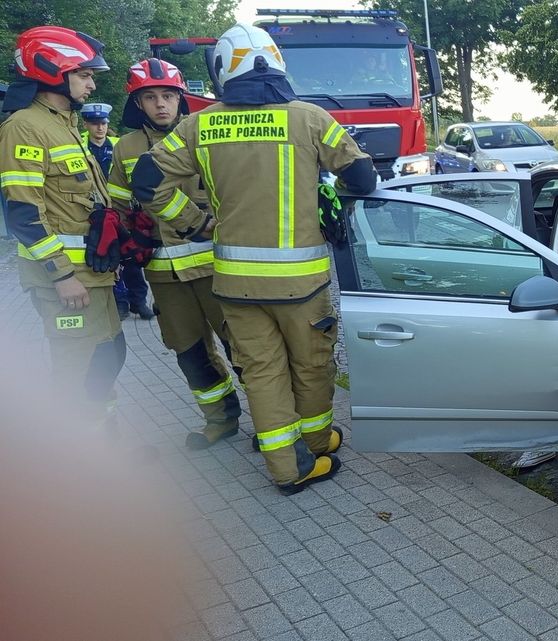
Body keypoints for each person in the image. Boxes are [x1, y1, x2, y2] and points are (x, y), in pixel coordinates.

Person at [133, 24, 377, 494]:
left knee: (262, 373)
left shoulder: (199, 124)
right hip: (300, 286)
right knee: (310, 365)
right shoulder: (309, 118)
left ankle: (286, 468)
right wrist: (328, 195)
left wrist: (194, 222)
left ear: (224, 70)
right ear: (276, 63)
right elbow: (363, 179)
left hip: (234, 284)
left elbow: (147, 182)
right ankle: (316, 441)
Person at [108, 57, 244, 450]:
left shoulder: (203, 133)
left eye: (167, 95)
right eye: (150, 97)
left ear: (180, 98)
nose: (160, 104)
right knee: (189, 352)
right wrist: (127, 234)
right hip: (164, 276)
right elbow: (119, 206)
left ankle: (271, 421)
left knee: (244, 349)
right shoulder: (126, 149)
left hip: (219, 268)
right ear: (138, 104)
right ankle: (220, 419)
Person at [0, 26, 125, 432]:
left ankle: (100, 445)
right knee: (77, 371)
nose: (91, 83)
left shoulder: (65, 122)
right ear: (53, 69)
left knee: (108, 356)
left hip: (91, 274)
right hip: (65, 281)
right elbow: (24, 213)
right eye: (85, 74)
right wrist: (63, 275)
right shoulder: (25, 126)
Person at [80, 102, 154, 320]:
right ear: (85, 124)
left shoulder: (118, 145)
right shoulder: (78, 147)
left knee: (130, 255)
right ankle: (120, 302)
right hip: (96, 210)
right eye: (94, 124)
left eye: (103, 123)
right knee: (109, 255)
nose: (100, 128)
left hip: (121, 209)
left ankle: (138, 301)